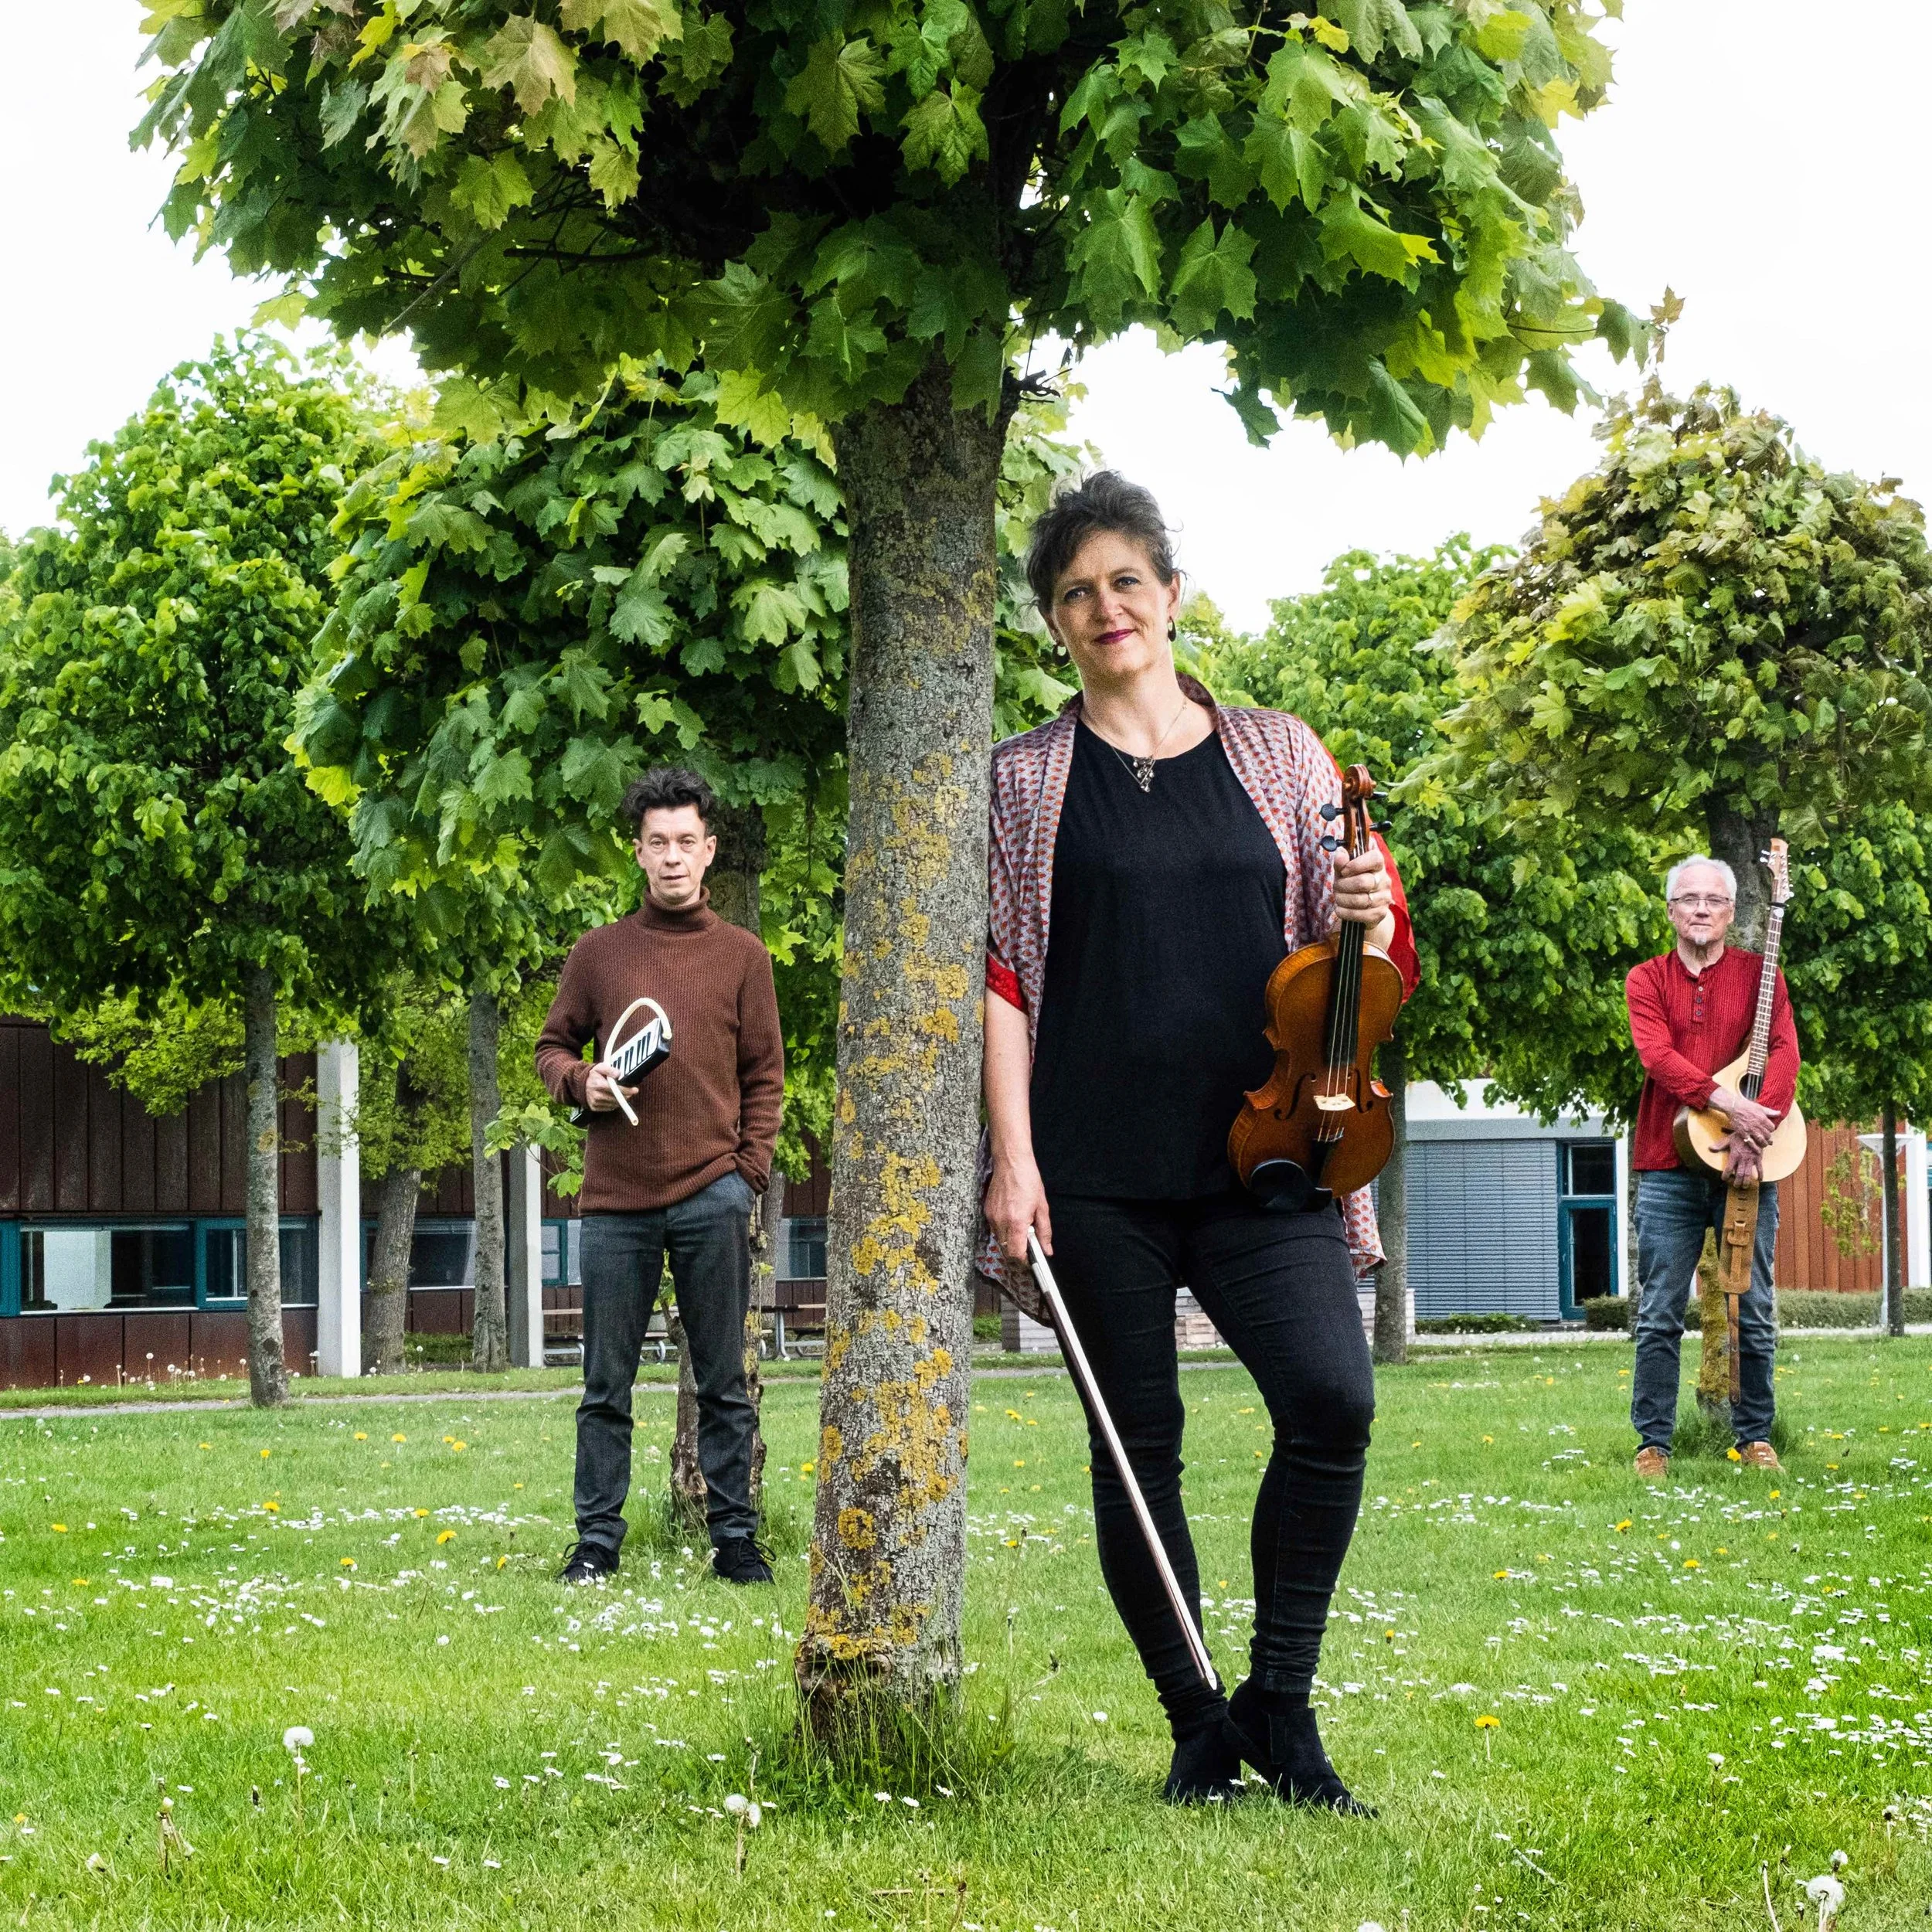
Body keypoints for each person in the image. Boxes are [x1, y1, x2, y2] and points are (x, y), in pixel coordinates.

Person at [979, 473, 1418, 1810]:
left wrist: (1372, 902)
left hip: (1266, 1152)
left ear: (1172, 594)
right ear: (1055, 623)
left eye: (1126, 581)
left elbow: (1369, 953)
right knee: (1137, 1445)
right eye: (1075, 592)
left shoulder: (1280, 752)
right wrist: (1016, 1164)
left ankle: (1280, 1702)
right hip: (1093, 1169)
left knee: (1333, 1401)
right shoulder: (1022, 781)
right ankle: (1194, 1723)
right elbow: (1001, 979)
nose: (1105, 607)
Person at [536, 767, 784, 1586]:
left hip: (714, 1194)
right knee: (605, 1384)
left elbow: (765, 1077)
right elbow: (552, 1047)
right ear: (637, 852)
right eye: (657, 843)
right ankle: (596, 1543)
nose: (672, 856)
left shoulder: (744, 957)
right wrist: (583, 1082)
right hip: (615, 1203)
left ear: (709, 851)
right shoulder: (598, 953)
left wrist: (746, 1175)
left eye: (686, 841)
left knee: (723, 1381)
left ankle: (735, 1541)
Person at [1625, 855, 1798, 1480]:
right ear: (1671, 911)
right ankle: (1653, 1445)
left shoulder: (1760, 975)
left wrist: (1757, 1130)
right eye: (1689, 899)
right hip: (1666, 1165)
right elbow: (1658, 1058)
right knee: (1659, 1314)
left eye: (1714, 900)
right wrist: (1732, 1106)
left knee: (1753, 1308)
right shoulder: (1646, 979)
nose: (1702, 909)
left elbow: (1783, 1051)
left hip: (1749, 1165)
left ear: (1731, 912)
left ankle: (1755, 1437)